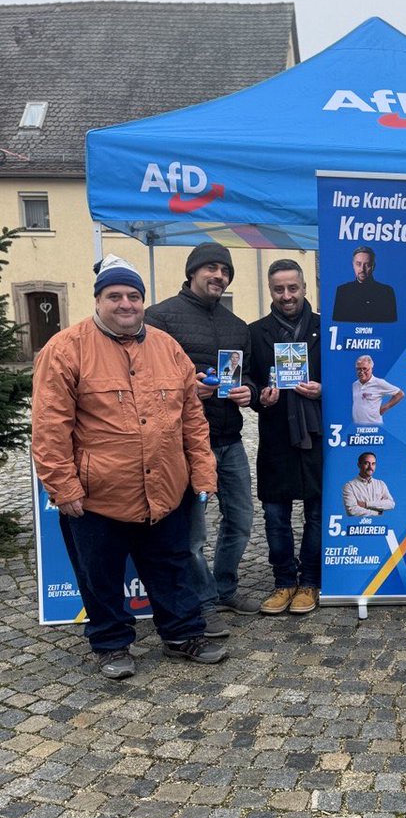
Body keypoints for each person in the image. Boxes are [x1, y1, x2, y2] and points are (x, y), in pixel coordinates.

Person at [31, 255, 227, 678]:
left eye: (133, 296)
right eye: (114, 296)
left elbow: (192, 418)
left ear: (143, 301)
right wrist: (63, 488)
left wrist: (202, 473)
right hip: (99, 495)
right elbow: (49, 428)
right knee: (99, 575)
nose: (125, 304)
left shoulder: (167, 347)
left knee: (172, 566)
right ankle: (111, 644)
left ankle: (182, 634)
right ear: (98, 300)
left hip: (166, 489)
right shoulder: (65, 349)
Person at [145, 243, 259, 633]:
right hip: (183, 444)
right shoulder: (158, 318)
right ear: (192, 271)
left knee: (241, 520)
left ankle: (225, 587)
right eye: (211, 268)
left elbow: (250, 378)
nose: (219, 276)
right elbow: (141, 379)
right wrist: (185, 388)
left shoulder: (236, 325)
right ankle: (202, 599)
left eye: (225, 271)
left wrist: (250, 392)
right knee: (193, 532)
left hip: (229, 438)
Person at [248, 260, 323, 616]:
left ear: (304, 288)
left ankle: (309, 580)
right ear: (270, 291)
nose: (287, 296)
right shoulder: (255, 332)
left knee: (316, 513)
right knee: (275, 515)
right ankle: (283, 582)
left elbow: (346, 382)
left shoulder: (326, 329)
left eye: (293, 288)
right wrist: (259, 394)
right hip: (276, 436)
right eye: (279, 289)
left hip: (316, 435)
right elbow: (246, 380)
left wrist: (322, 390)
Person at [332, 246, 397, 323]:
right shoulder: (342, 291)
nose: (362, 269)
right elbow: (338, 323)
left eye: (367, 265)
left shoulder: (386, 292)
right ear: (353, 265)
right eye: (358, 264)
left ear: (373, 266)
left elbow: (391, 325)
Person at [351, 355, 404, 425]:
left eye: (365, 369)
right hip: (357, 426)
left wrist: (385, 407)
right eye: (359, 369)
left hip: (374, 426)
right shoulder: (355, 385)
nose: (361, 371)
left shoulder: (379, 383)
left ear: (371, 368)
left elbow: (400, 394)